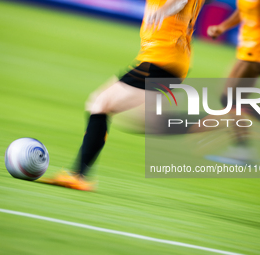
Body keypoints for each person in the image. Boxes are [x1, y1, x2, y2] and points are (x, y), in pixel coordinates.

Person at [39, 0, 205, 191]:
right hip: (164, 57)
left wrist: (165, 9)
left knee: (101, 104)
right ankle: (221, 122)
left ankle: (79, 176)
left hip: (162, 58)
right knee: (145, 121)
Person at [205, 0, 260, 164]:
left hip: (258, 51)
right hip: (246, 49)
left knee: (231, 100)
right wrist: (223, 27)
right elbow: (243, 11)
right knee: (234, 99)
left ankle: (243, 151)